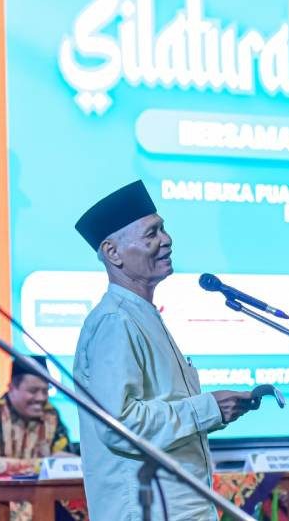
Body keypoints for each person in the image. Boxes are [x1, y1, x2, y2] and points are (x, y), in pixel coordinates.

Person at [73, 180, 254, 521]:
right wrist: (208, 408)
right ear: (113, 253)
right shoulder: (114, 322)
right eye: (151, 233)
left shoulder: (143, 315)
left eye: (164, 229)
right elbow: (119, 426)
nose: (166, 240)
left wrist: (214, 410)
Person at [0, 355, 72, 476]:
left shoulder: (50, 414)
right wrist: (46, 464)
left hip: (39, 492)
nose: (41, 398)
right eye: (33, 391)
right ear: (12, 388)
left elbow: (63, 462)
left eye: (45, 391)